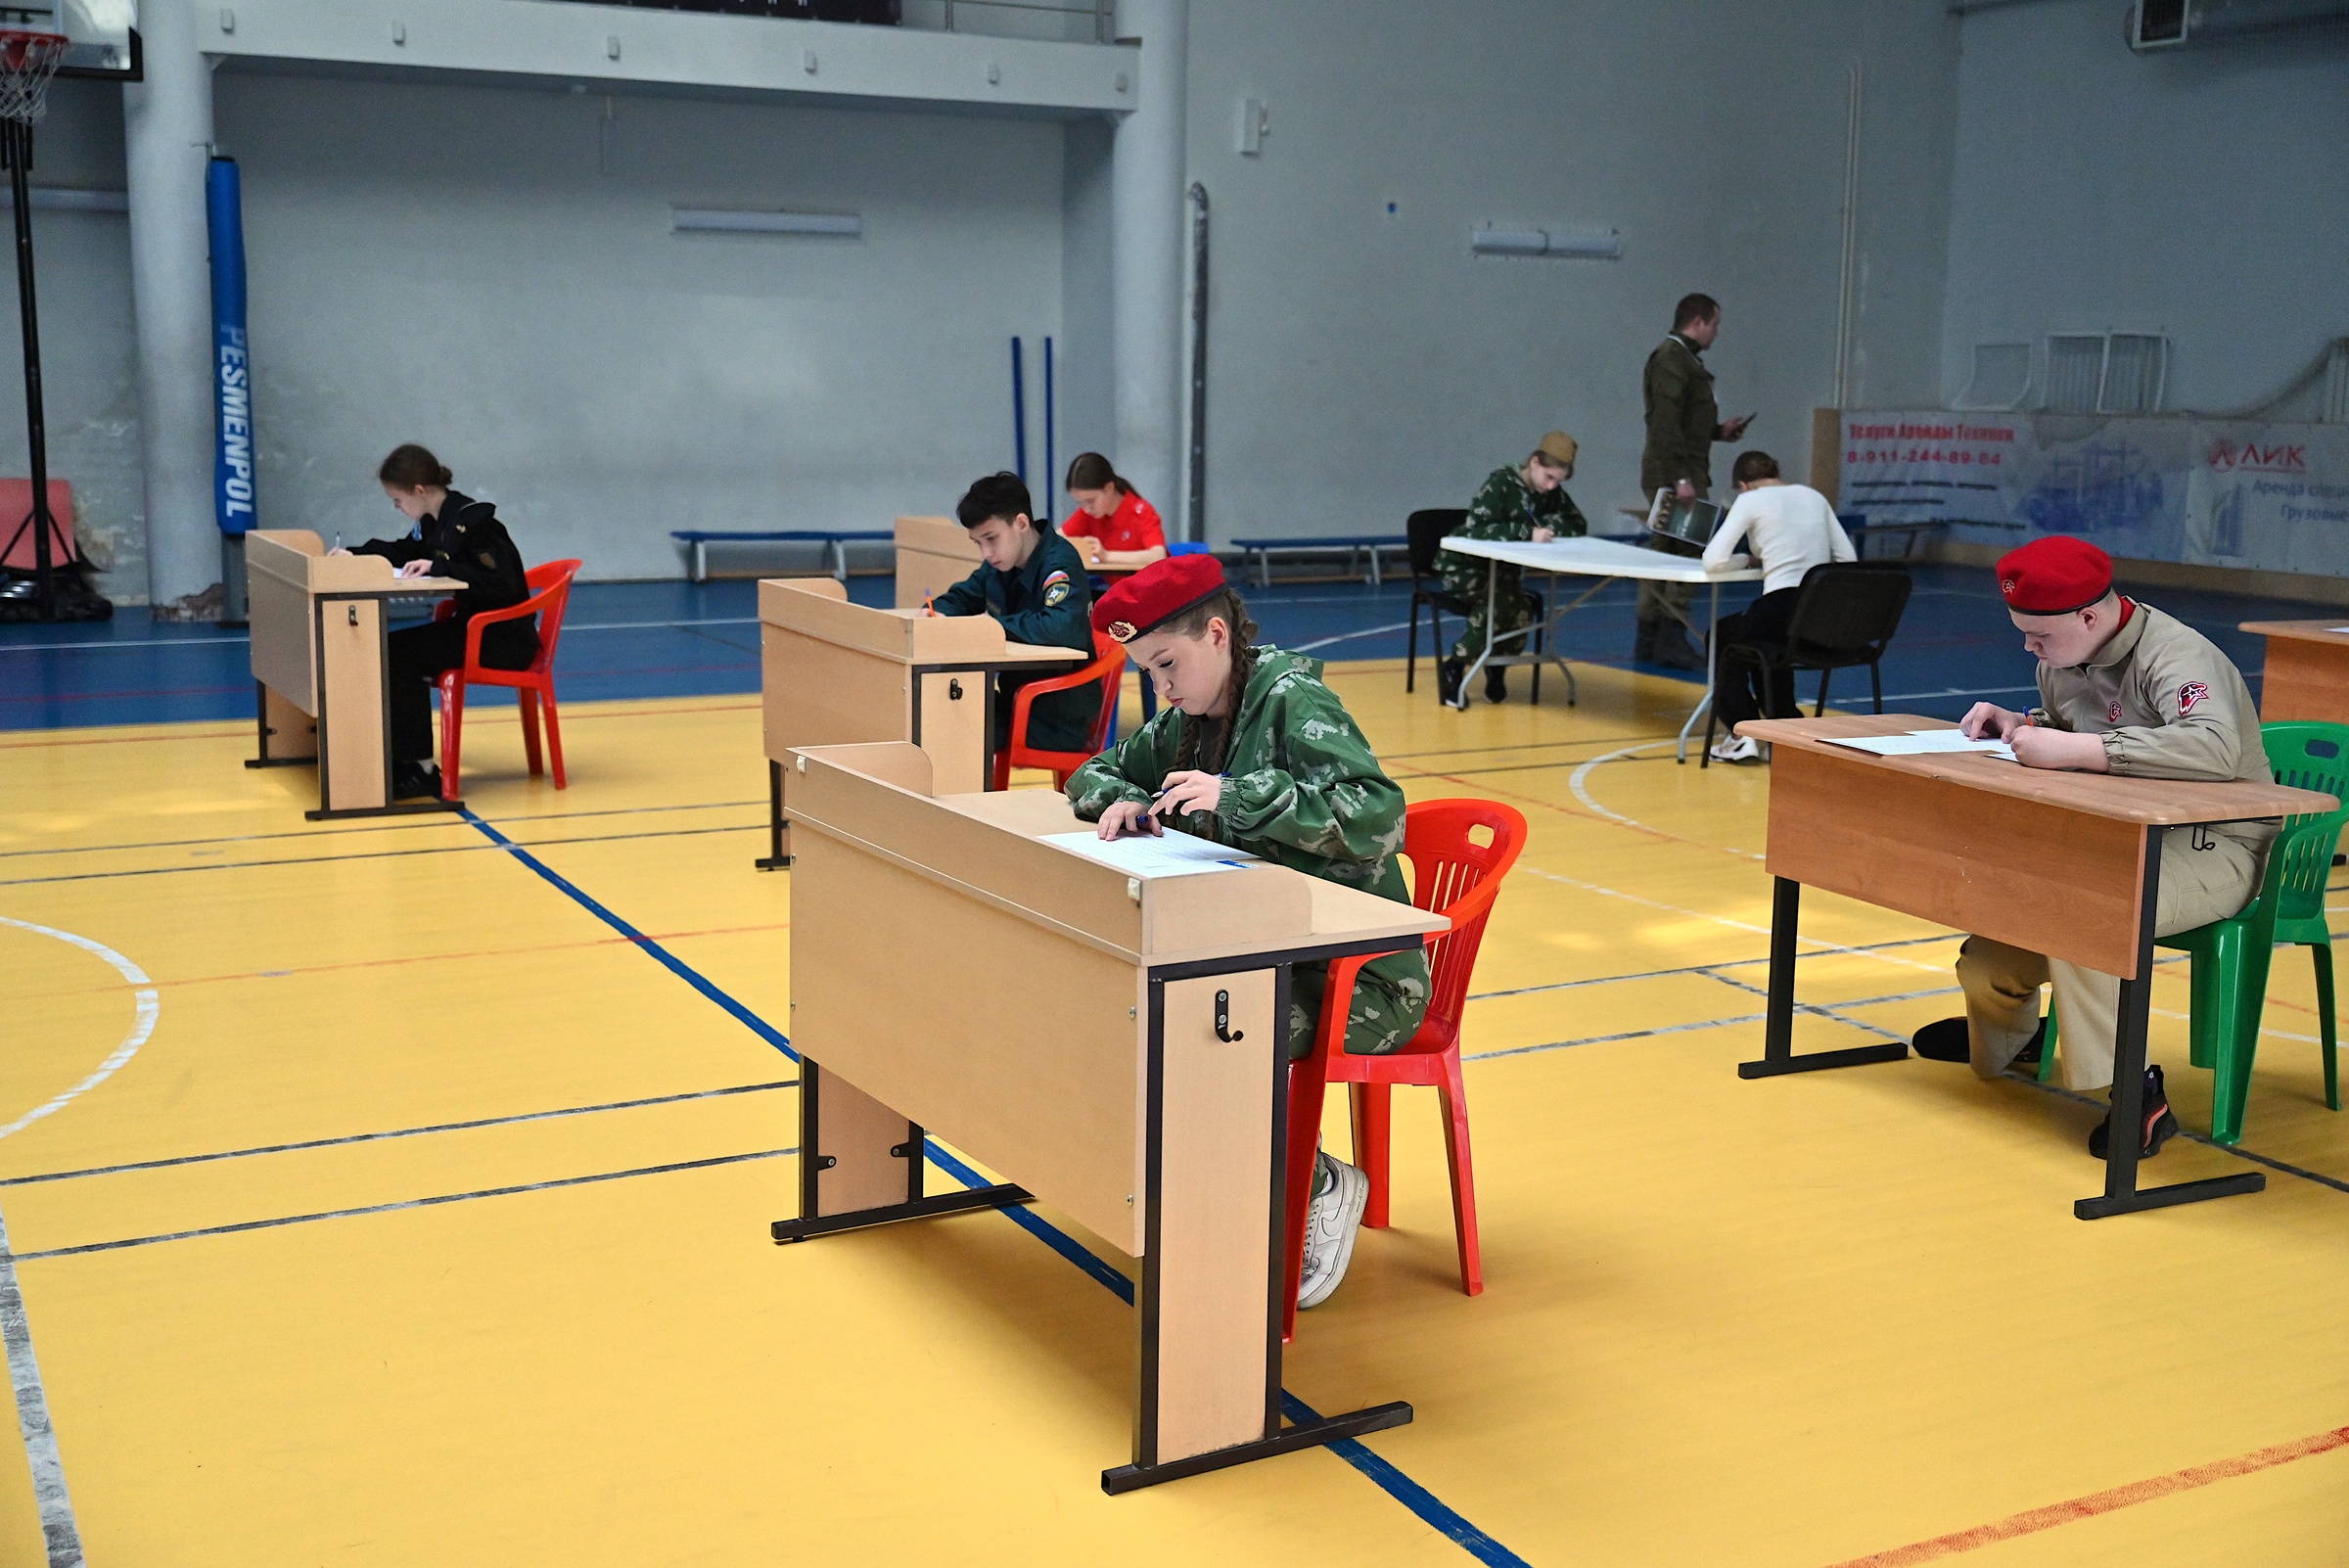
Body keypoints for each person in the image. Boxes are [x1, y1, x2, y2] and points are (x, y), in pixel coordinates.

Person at [1067, 555, 1430, 1309]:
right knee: (1156, 1020)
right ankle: (1234, 1197)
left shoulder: (1293, 700)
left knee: (1209, 1039)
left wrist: (1238, 795)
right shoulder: (1190, 721)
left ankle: (1321, 1184)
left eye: (1168, 664)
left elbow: (1380, 816)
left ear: (1216, 634)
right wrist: (1121, 799)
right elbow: (1093, 771)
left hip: (1359, 977)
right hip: (1266, 956)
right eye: (1148, 673)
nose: (1162, 689)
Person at [1909, 535, 2276, 1161]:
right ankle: (2017, 1040)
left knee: (2091, 913)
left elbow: (2213, 748)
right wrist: (2023, 726)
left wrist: (2081, 750)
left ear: (2087, 617)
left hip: (2218, 845)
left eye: (2040, 636)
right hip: (2125, 836)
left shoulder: (2178, 655)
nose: (2030, 647)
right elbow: (2071, 728)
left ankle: (2137, 1092)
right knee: (1994, 940)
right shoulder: (2062, 656)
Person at [337, 444, 536, 801]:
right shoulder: (434, 522)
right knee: (391, 648)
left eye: (398, 500)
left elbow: (503, 584)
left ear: (418, 491)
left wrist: (441, 567)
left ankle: (421, 769)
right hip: (472, 629)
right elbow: (404, 552)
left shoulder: (476, 523)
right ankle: (402, 758)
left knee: (399, 656)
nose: (397, 508)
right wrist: (356, 555)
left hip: (503, 639)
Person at [1702, 450, 1857, 764]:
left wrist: (1749, 559)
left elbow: (1713, 561)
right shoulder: (1814, 496)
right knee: (1767, 642)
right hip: (1822, 616)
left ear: (1743, 485)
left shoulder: (1750, 500)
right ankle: (1784, 725)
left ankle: (1742, 732)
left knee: (1723, 637)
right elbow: (1848, 559)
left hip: (1780, 607)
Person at [931, 471, 1099, 753]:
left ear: (1021, 523)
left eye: (991, 539)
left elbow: (1060, 626)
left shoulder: (1059, 562)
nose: (986, 553)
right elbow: (964, 595)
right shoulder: (1000, 564)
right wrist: (937, 613)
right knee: (939, 707)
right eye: (978, 543)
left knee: (955, 724)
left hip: (1055, 717)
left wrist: (993, 627)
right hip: (1016, 702)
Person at [1637, 294, 1754, 671]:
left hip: (1675, 470)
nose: (1716, 332)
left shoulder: (1683, 360)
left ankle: (1650, 639)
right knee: (1687, 555)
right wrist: (1682, 478)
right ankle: (1670, 638)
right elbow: (1665, 423)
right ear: (1698, 322)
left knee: (1663, 555)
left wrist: (1718, 431)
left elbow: (1684, 421)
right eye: (1715, 324)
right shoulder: (1672, 360)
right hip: (1676, 474)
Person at [1437, 431, 1588, 708]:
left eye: (1559, 481)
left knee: (1522, 611)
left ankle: (1496, 668)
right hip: (1465, 568)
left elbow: (1577, 523)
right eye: (1549, 477)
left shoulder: (1547, 492)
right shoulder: (1501, 484)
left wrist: (1548, 527)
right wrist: (1526, 533)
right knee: (1498, 606)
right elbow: (1474, 531)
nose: (1552, 486)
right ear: (1534, 463)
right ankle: (1454, 668)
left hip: (1502, 574)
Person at [1059, 452, 1168, 571]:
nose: (1086, 509)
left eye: (1090, 501)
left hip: (1149, 581)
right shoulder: (1087, 514)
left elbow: (1158, 556)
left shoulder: (1141, 512)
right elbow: (1054, 541)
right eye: (1080, 503)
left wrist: (1107, 556)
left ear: (1109, 488)